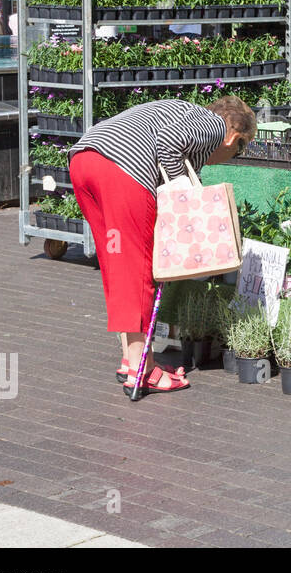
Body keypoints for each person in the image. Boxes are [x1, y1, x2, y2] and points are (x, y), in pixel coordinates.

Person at [68, 96, 256, 396]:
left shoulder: (186, 114)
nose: (236, 153)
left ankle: (134, 361)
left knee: (120, 267)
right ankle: (143, 372)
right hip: (123, 170)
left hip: (85, 161)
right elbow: (168, 141)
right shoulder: (212, 126)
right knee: (139, 271)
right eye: (241, 147)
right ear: (233, 137)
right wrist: (182, 195)